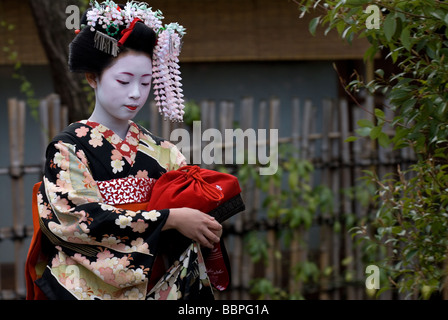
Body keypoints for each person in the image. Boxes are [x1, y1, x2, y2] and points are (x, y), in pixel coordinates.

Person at [27, 0, 224, 300]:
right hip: (83, 289)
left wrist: (203, 226)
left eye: (146, 82)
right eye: (123, 80)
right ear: (92, 77)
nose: (136, 93)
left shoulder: (165, 152)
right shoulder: (68, 147)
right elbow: (76, 220)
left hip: (157, 285)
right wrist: (170, 219)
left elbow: (189, 213)